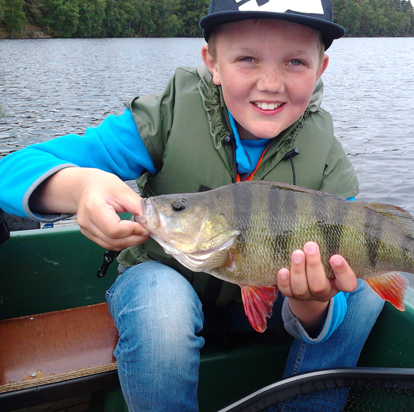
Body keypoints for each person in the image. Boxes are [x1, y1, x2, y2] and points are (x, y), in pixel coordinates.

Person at [0, 0, 384, 410]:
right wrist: (80, 187)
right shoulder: (167, 115)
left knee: (368, 290)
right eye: (247, 59)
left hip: (276, 295)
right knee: (163, 305)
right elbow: (12, 170)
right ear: (212, 62)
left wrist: (313, 303)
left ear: (320, 68)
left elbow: (335, 282)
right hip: (163, 286)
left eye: (294, 62)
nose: (271, 82)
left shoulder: (326, 156)